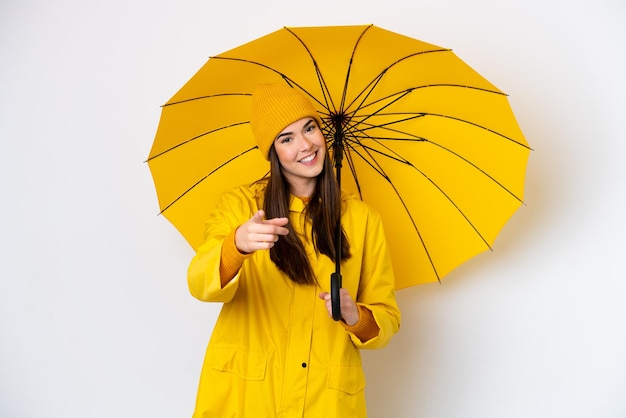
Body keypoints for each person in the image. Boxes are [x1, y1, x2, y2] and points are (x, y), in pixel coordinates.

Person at [187, 83, 401, 417]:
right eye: (286, 139)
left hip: (325, 401)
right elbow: (199, 282)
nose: (306, 145)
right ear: (272, 152)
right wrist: (237, 245)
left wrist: (355, 315)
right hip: (247, 397)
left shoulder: (362, 220)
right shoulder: (240, 205)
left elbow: (386, 318)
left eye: (309, 128)